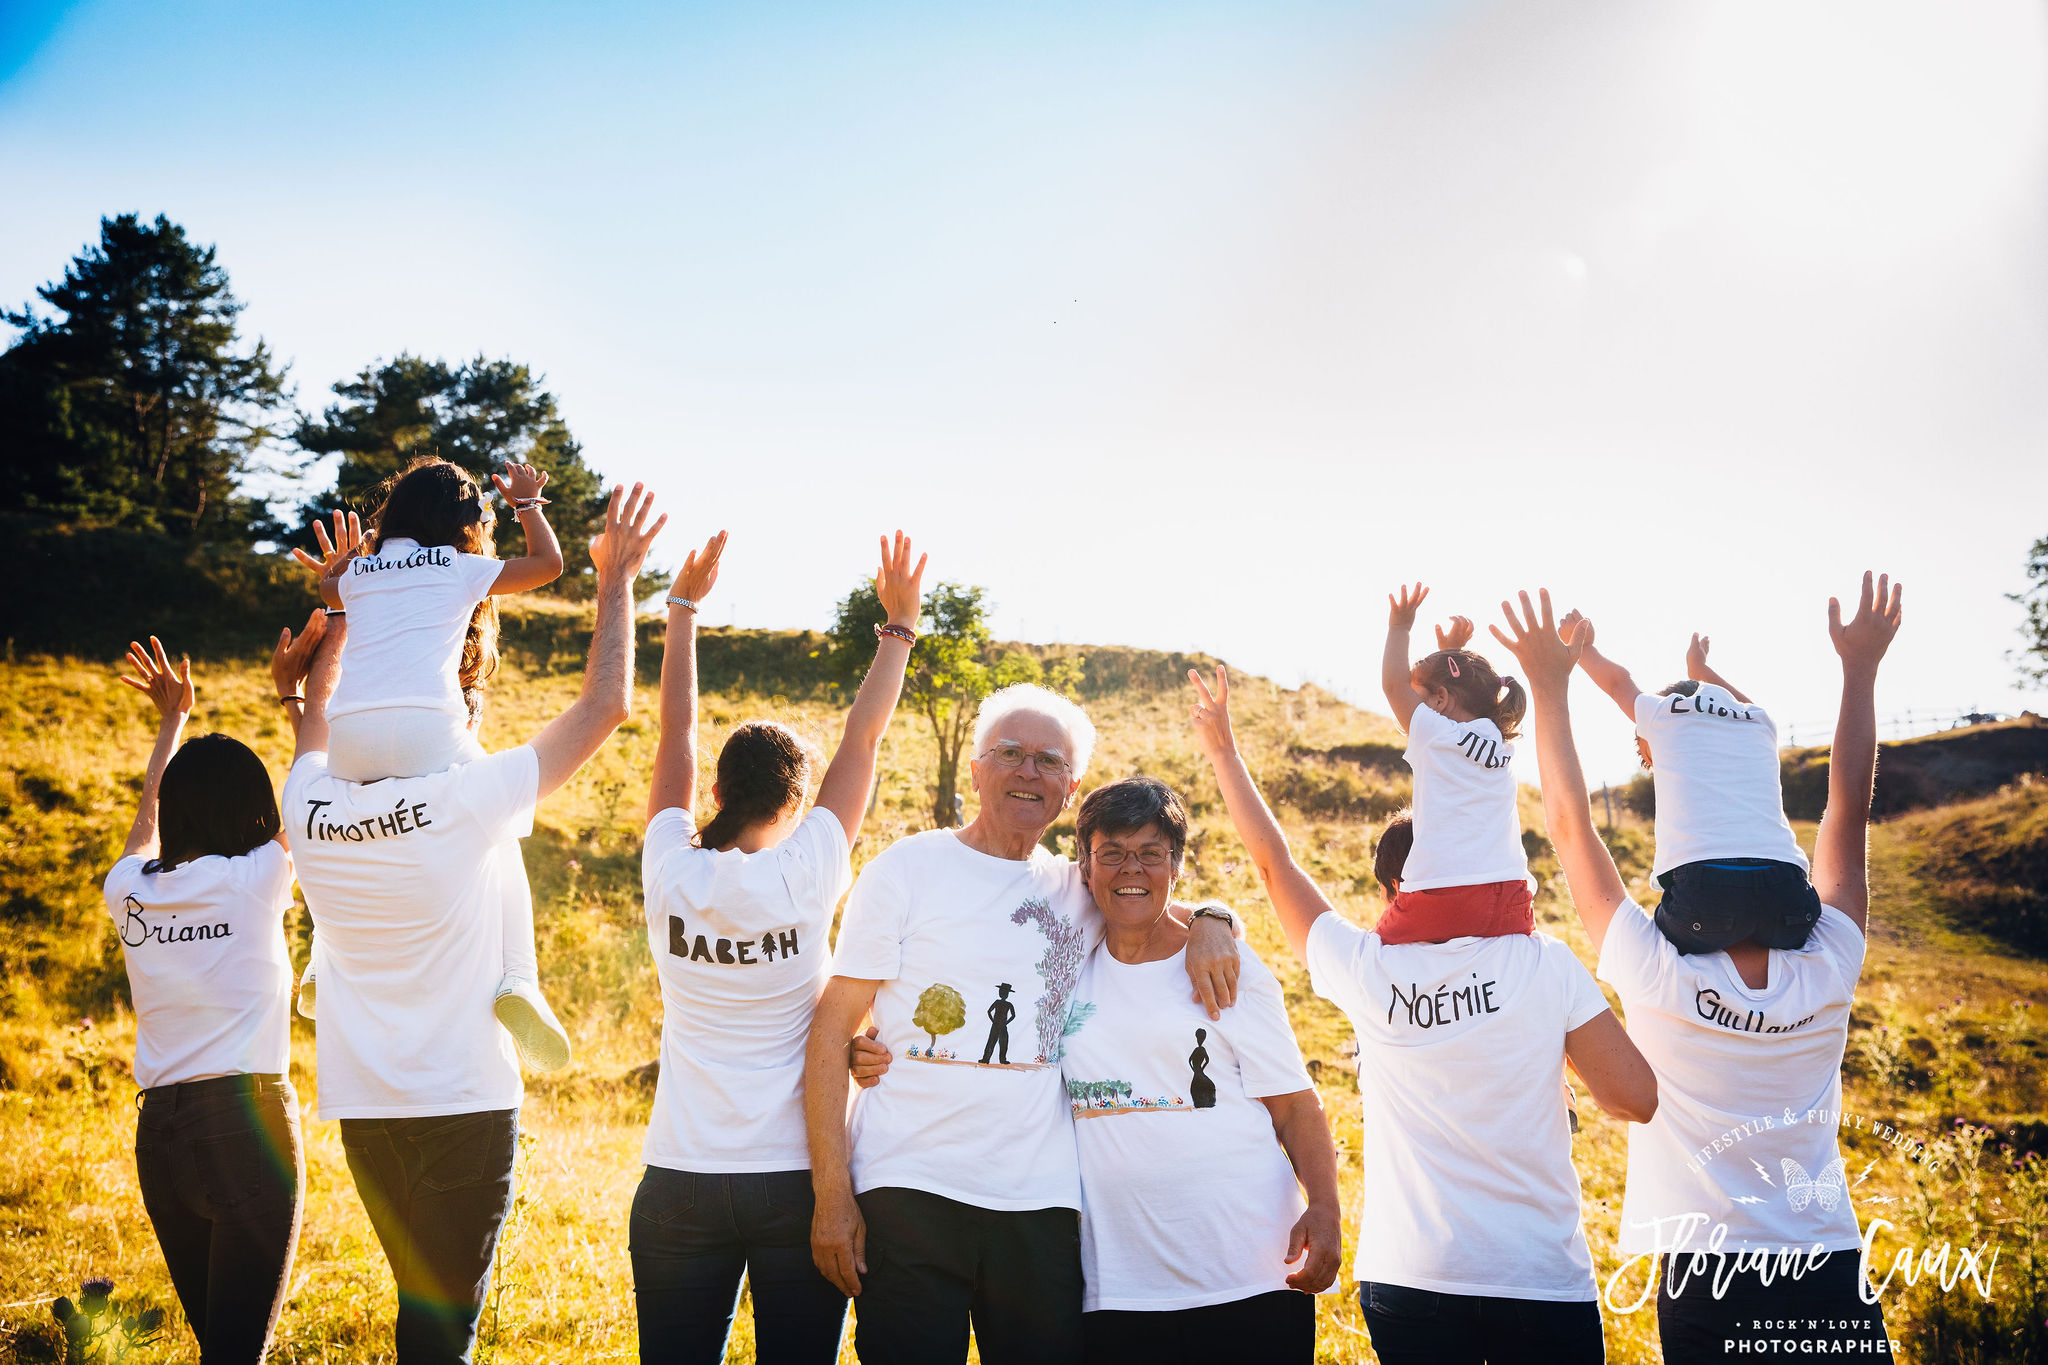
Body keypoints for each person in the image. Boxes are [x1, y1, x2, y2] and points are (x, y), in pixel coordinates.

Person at [284, 483, 667, 1364]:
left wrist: (331, 629)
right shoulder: (464, 798)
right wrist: (616, 584)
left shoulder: (306, 804)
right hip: (460, 1101)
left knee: (417, 1313)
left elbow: (314, 722)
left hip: (363, 1105)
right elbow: (605, 708)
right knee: (438, 1332)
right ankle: (518, 979)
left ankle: (324, 969)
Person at [1187, 663, 1658, 1365]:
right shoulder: (1543, 964)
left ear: (1394, 887)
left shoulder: (1366, 968)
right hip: (1538, 1280)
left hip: (1410, 1274)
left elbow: (1272, 864)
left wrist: (1224, 749)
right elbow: (1635, 1098)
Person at [1488, 580, 1901, 1363]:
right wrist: (1860, 670)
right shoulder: (1829, 966)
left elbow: (1572, 830)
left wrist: (1549, 684)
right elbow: (1847, 808)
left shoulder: (1658, 975)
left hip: (1709, 1280)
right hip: (1828, 1273)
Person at [805, 684, 1243, 1364]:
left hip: (1040, 1204)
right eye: (1009, 752)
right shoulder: (906, 870)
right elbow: (833, 1029)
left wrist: (1217, 916)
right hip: (908, 1185)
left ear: (1071, 786)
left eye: (1047, 759)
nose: (1027, 771)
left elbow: (1156, 899)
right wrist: (832, 1195)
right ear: (977, 769)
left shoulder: (1083, 888)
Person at [632, 529, 925, 1364]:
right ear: (796, 804)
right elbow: (862, 740)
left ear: (718, 793)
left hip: (679, 1177)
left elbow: (673, 738)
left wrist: (682, 611)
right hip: (799, 1179)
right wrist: (897, 630)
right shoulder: (811, 866)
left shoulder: (669, 868)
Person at [290, 456, 571, 1071]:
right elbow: (549, 567)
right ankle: (519, 978)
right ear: (463, 522)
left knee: (331, 828)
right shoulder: (459, 566)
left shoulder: (361, 574)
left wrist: (350, 558)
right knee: (500, 828)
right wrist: (527, 503)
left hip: (350, 740)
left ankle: (321, 958)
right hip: (428, 733)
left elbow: (328, 589)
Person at [101, 621, 326, 1363]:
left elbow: (142, 830)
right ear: (252, 810)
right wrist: (294, 692)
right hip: (245, 1122)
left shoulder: (129, 891)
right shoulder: (258, 875)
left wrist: (173, 721)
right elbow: (312, 779)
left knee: (219, 1349)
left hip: (159, 1136)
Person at [1060, 776, 1340, 1362]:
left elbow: (1293, 1104)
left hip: (1249, 1273)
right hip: (1120, 1287)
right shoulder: (1064, 971)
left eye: (1150, 854)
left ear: (1177, 867)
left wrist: (1325, 1207)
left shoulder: (1225, 965)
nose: (1130, 869)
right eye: (1111, 853)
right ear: (1084, 867)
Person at [1567, 621, 1823, 956]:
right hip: (1790, 900)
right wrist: (1702, 669)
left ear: (1646, 743)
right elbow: (1747, 704)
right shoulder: (1761, 721)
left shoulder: (1662, 714)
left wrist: (1584, 647)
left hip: (1705, 902)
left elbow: (1617, 682)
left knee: (1657, 936)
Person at [1376, 583, 1535, 945]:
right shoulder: (1499, 738)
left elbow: (1392, 685)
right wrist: (1452, 654)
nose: (1410, 708)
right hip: (1512, 898)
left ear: (1441, 699)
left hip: (1443, 893)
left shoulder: (1435, 735)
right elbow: (1458, 706)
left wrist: (1399, 626)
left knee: (1373, 953)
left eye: (1419, 698)